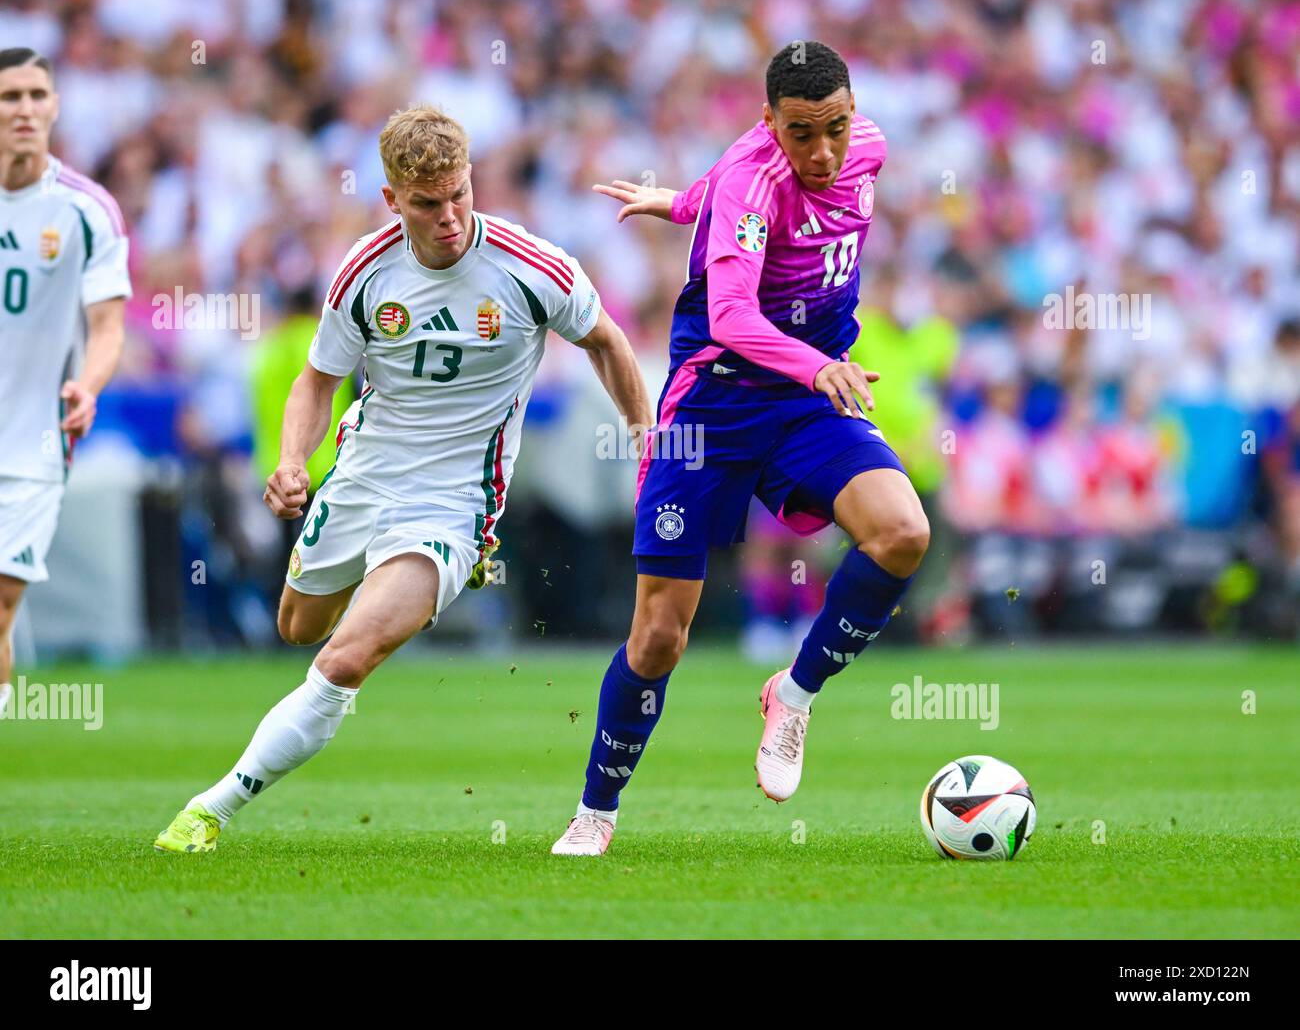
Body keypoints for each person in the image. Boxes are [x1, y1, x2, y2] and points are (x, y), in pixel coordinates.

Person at [154, 104, 651, 852]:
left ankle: (211, 808)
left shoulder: (533, 267)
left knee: (343, 658)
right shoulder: (364, 270)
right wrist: (294, 461)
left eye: (460, 194)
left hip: (454, 498)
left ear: (472, 178)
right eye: (427, 203)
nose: (450, 217)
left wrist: (644, 438)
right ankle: (401, 577)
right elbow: (317, 381)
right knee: (300, 626)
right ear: (392, 199)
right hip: (364, 472)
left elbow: (606, 341)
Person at [551, 42, 929, 856]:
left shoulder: (870, 149)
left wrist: (680, 202)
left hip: (805, 402)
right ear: (769, 123)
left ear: (854, 111)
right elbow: (731, 317)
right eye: (800, 134)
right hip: (713, 409)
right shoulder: (753, 180)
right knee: (659, 635)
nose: (822, 151)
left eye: (835, 126)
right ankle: (596, 811)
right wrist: (820, 363)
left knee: (904, 533)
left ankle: (792, 695)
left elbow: (724, 193)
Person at [0, 48, 129, 718]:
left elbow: (107, 325)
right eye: (9, 97)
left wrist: (89, 383)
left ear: (53, 105)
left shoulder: (86, 210)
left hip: (34, 442)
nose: (23, 109)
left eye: (34, 95)